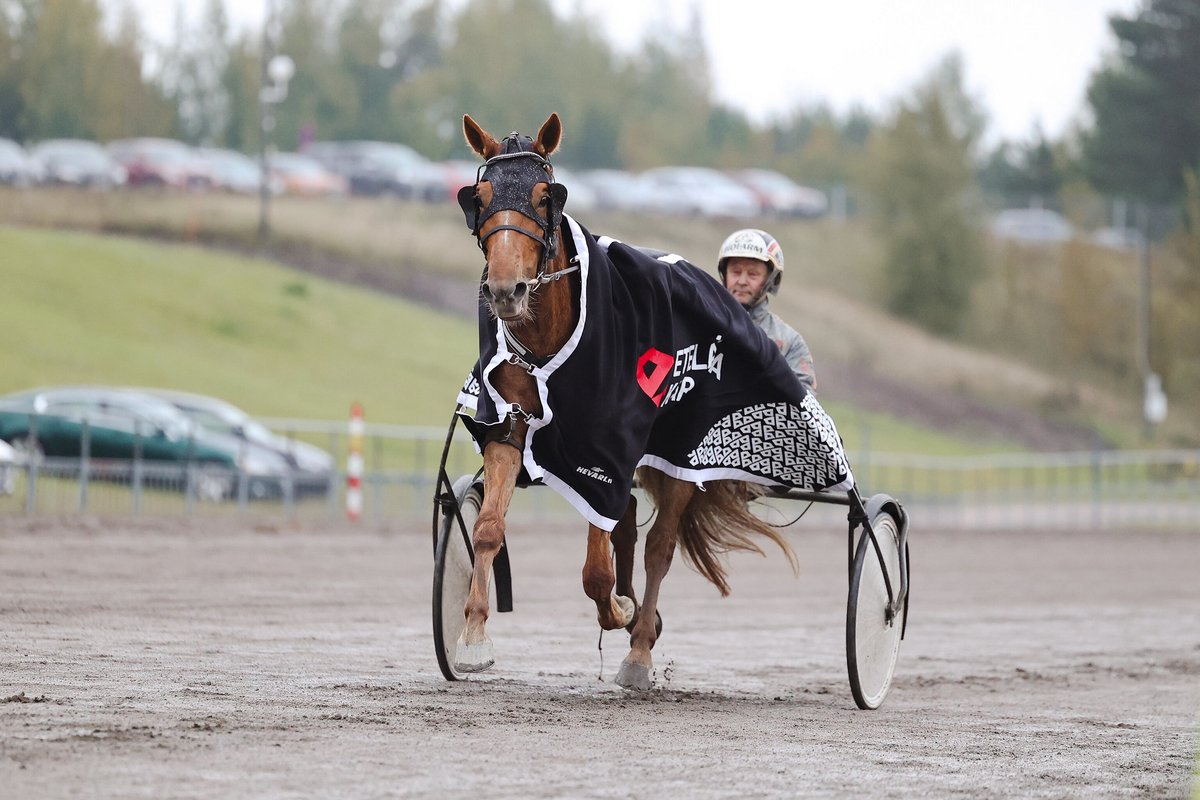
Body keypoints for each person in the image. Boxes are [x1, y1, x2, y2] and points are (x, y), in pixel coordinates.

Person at [716, 228, 817, 392]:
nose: (742, 281)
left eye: (753, 274)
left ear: (770, 280)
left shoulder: (790, 342)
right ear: (724, 274)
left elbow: (805, 404)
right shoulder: (701, 325)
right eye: (735, 272)